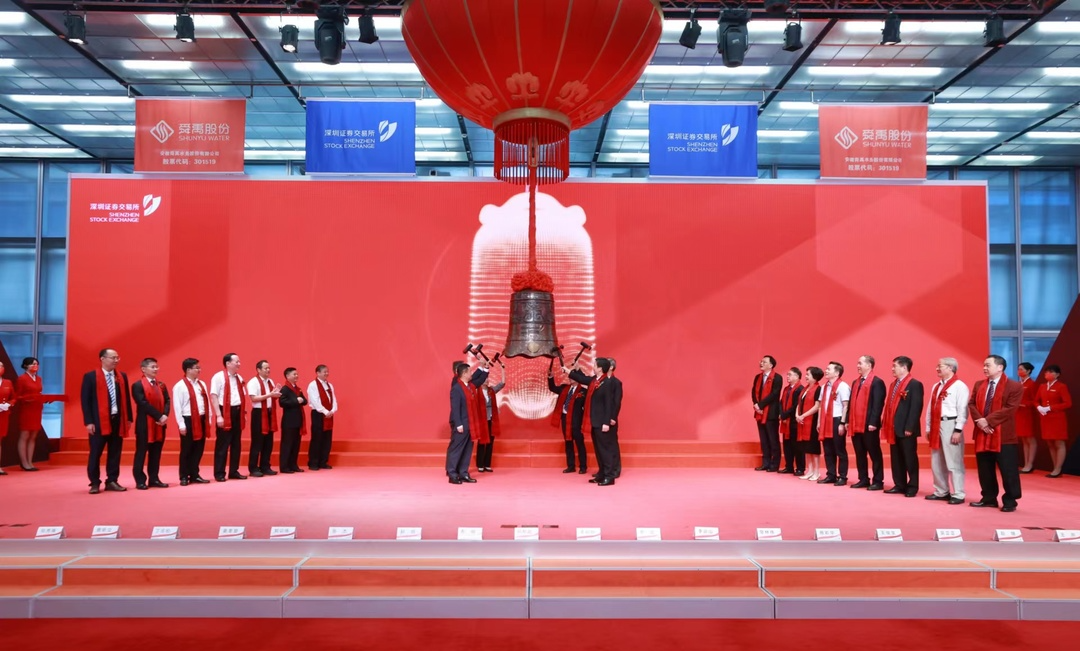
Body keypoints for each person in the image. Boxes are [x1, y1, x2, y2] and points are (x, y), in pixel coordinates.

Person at [968, 355, 1024, 512]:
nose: (984, 368)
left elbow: (1010, 408)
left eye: (988, 365)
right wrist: (981, 422)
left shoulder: (1014, 386)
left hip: (1004, 435)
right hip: (982, 433)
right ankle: (988, 498)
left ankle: (1010, 500)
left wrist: (988, 421)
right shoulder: (979, 385)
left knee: (1008, 469)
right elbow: (971, 404)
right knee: (985, 469)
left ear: (1000, 367)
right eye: (984, 365)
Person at [80, 348, 132, 494]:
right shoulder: (90, 377)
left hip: (117, 420)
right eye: (113, 358)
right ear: (102, 359)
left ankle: (112, 480)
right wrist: (88, 421)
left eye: (117, 358)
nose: (116, 360)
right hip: (98, 421)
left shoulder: (121, 376)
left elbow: (126, 399)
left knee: (115, 452)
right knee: (96, 452)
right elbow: (85, 400)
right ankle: (94, 482)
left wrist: (128, 418)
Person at [925, 358, 971, 505]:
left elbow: (963, 409)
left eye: (940, 366)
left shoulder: (960, 386)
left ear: (951, 368)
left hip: (951, 424)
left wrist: (958, 430)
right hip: (936, 424)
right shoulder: (936, 386)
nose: (937, 368)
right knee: (937, 460)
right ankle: (941, 491)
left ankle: (958, 493)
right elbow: (930, 408)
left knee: (954, 460)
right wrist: (928, 427)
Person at [882, 356, 925, 497]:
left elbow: (916, 407)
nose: (892, 369)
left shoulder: (914, 384)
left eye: (895, 366)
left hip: (906, 429)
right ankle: (899, 484)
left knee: (909, 458)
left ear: (904, 367)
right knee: (896, 458)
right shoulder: (893, 385)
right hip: (893, 427)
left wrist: (910, 427)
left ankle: (912, 486)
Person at [570, 359, 617, 485]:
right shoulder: (595, 381)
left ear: (600, 368)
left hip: (602, 422)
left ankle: (609, 476)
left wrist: (606, 422)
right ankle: (601, 474)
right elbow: (582, 378)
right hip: (595, 421)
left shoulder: (607, 382)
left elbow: (609, 404)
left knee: (605, 450)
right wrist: (570, 371)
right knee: (599, 450)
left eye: (595, 365)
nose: (593, 367)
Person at [848, 355, 887, 490]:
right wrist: (848, 421)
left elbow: (878, 404)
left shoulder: (877, 382)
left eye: (860, 363)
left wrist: (873, 422)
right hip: (855, 424)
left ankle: (878, 481)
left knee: (874, 454)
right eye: (857, 363)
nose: (857, 366)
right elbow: (851, 404)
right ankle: (863, 479)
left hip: (869, 425)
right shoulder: (855, 382)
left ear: (869, 365)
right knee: (860, 454)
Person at [131, 357, 170, 490]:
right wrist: (159, 416)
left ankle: (154, 478)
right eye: (152, 367)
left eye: (156, 367)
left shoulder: (161, 385)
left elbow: (167, 401)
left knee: (156, 453)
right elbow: (142, 403)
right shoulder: (137, 385)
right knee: (141, 453)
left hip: (160, 424)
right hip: (144, 425)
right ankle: (140, 480)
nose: (156, 369)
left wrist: (165, 415)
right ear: (143, 369)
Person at [446, 360, 489, 484]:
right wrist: (459, 424)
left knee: (467, 450)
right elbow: (455, 408)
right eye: (470, 371)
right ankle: (452, 474)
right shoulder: (457, 388)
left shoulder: (469, 386)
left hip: (471, 423)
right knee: (457, 449)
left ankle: (463, 473)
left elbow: (479, 380)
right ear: (464, 373)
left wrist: (485, 369)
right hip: (462, 424)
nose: (471, 373)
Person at [173, 358, 211, 486]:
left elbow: (206, 402)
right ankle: (184, 476)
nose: (199, 370)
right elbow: (177, 406)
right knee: (186, 449)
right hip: (188, 419)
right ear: (188, 370)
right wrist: (181, 424)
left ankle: (195, 474)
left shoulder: (202, 384)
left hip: (201, 418)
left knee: (199, 448)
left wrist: (209, 419)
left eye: (199, 367)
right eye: (197, 368)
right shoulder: (179, 386)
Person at [210, 353, 247, 482]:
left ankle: (233, 471)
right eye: (237, 361)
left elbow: (241, 397)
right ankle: (219, 473)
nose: (239, 364)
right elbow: (214, 396)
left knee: (236, 443)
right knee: (223, 444)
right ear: (228, 363)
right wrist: (218, 415)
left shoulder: (239, 377)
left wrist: (243, 414)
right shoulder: (218, 377)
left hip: (237, 411)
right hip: (225, 411)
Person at [817, 361, 851, 486]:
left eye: (828, 369)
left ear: (837, 373)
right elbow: (821, 406)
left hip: (837, 419)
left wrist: (842, 423)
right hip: (826, 420)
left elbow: (846, 406)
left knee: (839, 449)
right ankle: (831, 475)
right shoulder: (824, 387)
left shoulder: (843, 386)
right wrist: (819, 422)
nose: (825, 371)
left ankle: (842, 476)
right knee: (828, 449)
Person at [549, 363, 587, 474]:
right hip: (565, 419)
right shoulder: (564, 388)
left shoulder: (583, 391)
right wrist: (550, 377)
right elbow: (552, 388)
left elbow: (586, 407)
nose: (570, 378)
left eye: (572, 376)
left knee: (579, 443)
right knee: (568, 442)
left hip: (576, 420)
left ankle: (583, 466)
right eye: (569, 376)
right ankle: (571, 466)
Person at [1036, 365, 1072, 478]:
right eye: (1046, 372)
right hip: (1045, 418)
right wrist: (1039, 407)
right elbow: (1036, 400)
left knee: (1059, 443)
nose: (1048, 374)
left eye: (1051, 372)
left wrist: (1050, 408)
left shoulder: (1061, 386)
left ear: (1057, 374)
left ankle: (1058, 468)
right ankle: (1055, 466)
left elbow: (1067, 403)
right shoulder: (1042, 386)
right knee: (1050, 443)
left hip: (1057, 418)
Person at [247, 360, 281, 477]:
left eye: (269, 368)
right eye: (266, 368)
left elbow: (270, 397)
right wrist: (270, 394)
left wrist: (276, 393)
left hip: (269, 413)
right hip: (259, 413)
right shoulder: (253, 382)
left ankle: (265, 466)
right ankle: (253, 468)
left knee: (268, 442)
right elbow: (254, 398)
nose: (268, 370)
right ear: (258, 370)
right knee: (257, 441)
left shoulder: (270, 381)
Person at [751, 355, 782, 472]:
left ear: (771, 365)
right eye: (761, 361)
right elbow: (754, 392)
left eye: (764, 362)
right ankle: (765, 463)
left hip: (771, 413)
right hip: (759, 412)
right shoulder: (758, 377)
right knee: (763, 439)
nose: (761, 363)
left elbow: (774, 394)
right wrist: (756, 404)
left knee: (773, 439)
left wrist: (760, 405)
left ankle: (775, 464)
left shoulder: (777, 378)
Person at [475, 360, 505, 472]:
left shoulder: (491, 391)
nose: (487, 380)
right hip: (482, 420)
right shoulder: (476, 391)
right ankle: (480, 464)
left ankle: (487, 464)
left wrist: (502, 369)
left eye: (487, 379)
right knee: (482, 442)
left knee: (490, 442)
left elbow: (502, 384)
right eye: (485, 379)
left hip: (491, 419)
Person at [795, 366, 825, 481]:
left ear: (815, 377)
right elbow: (799, 404)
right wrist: (797, 415)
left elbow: (817, 406)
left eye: (808, 374)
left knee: (813, 448)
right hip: (803, 421)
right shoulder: (805, 389)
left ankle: (816, 471)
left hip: (812, 422)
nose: (806, 376)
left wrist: (803, 415)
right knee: (806, 447)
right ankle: (810, 470)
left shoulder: (818, 389)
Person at [15, 356, 45, 471]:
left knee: (33, 435)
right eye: (33, 364)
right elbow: (17, 396)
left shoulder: (38, 379)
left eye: (37, 364)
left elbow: (39, 392)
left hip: (37, 408)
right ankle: (24, 462)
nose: (35, 366)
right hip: (26, 409)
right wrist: (27, 398)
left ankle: (30, 462)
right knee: (25, 435)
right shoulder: (22, 379)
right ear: (26, 366)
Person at [307, 365, 338, 471]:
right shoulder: (313, 385)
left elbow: (333, 399)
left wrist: (332, 410)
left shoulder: (330, 385)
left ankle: (323, 461)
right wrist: (325, 411)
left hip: (329, 414)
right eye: (324, 372)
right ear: (318, 373)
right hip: (318, 414)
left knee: (327, 438)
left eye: (327, 371)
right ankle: (313, 462)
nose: (326, 374)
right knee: (317, 438)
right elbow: (315, 401)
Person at [278, 367, 307, 474]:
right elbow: (282, 403)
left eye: (297, 374)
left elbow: (305, 401)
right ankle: (284, 467)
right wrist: (296, 401)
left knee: (296, 444)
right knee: (287, 445)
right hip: (288, 422)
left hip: (298, 421)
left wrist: (301, 400)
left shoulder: (298, 389)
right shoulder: (285, 389)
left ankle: (293, 465)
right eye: (294, 374)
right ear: (287, 376)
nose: (296, 376)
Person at [777, 367, 804, 475]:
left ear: (797, 376)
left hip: (794, 421)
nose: (787, 376)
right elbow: (781, 402)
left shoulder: (800, 389)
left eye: (790, 374)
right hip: (785, 422)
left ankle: (800, 468)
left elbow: (796, 406)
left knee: (797, 446)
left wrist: (785, 415)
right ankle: (789, 466)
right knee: (787, 445)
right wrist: (781, 414)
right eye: (787, 374)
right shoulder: (786, 389)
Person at [1016, 362, 1038, 474]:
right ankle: (1026, 464)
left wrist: (1024, 404)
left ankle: (1030, 464)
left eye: (1021, 369)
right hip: (1019, 413)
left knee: (1030, 439)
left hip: (1028, 413)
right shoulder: (1018, 383)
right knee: (1024, 440)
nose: (1019, 371)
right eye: (1018, 369)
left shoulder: (1032, 384)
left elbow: (1036, 400)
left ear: (1028, 371)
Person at [606, 357, 624, 479]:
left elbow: (617, 402)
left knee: (612, 444)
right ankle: (605, 469)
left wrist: (613, 417)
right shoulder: (600, 381)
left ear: (611, 367)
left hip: (611, 419)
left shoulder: (616, 383)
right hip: (601, 418)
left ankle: (616, 469)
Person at [0, 361, 14, 475]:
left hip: (3, 414)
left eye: (2, 366)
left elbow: (14, 397)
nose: (1, 368)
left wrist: (9, 404)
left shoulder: (7, 382)